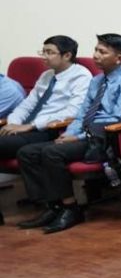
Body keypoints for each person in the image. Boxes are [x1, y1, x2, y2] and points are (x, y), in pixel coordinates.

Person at [16, 34, 121, 234]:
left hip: (104, 138)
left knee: (52, 153)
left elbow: (117, 120)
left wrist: (77, 137)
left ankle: (71, 209)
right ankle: (52, 206)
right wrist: (69, 133)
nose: (96, 55)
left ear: (119, 58)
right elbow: (82, 113)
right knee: (27, 152)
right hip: (85, 133)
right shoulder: (96, 81)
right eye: (96, 50)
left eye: (102, 52)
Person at [1, 37, 92, 211]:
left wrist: (31, 125)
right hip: (26, 129)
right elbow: (27, 104)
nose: (44, 57)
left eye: (49, 52)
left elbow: (72, 112)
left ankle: (46, 203)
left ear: (67, 55)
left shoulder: (81, 76)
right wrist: (13, 123)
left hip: (49, 129)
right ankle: (42, 201)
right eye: (43, 52)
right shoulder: (47, 75)